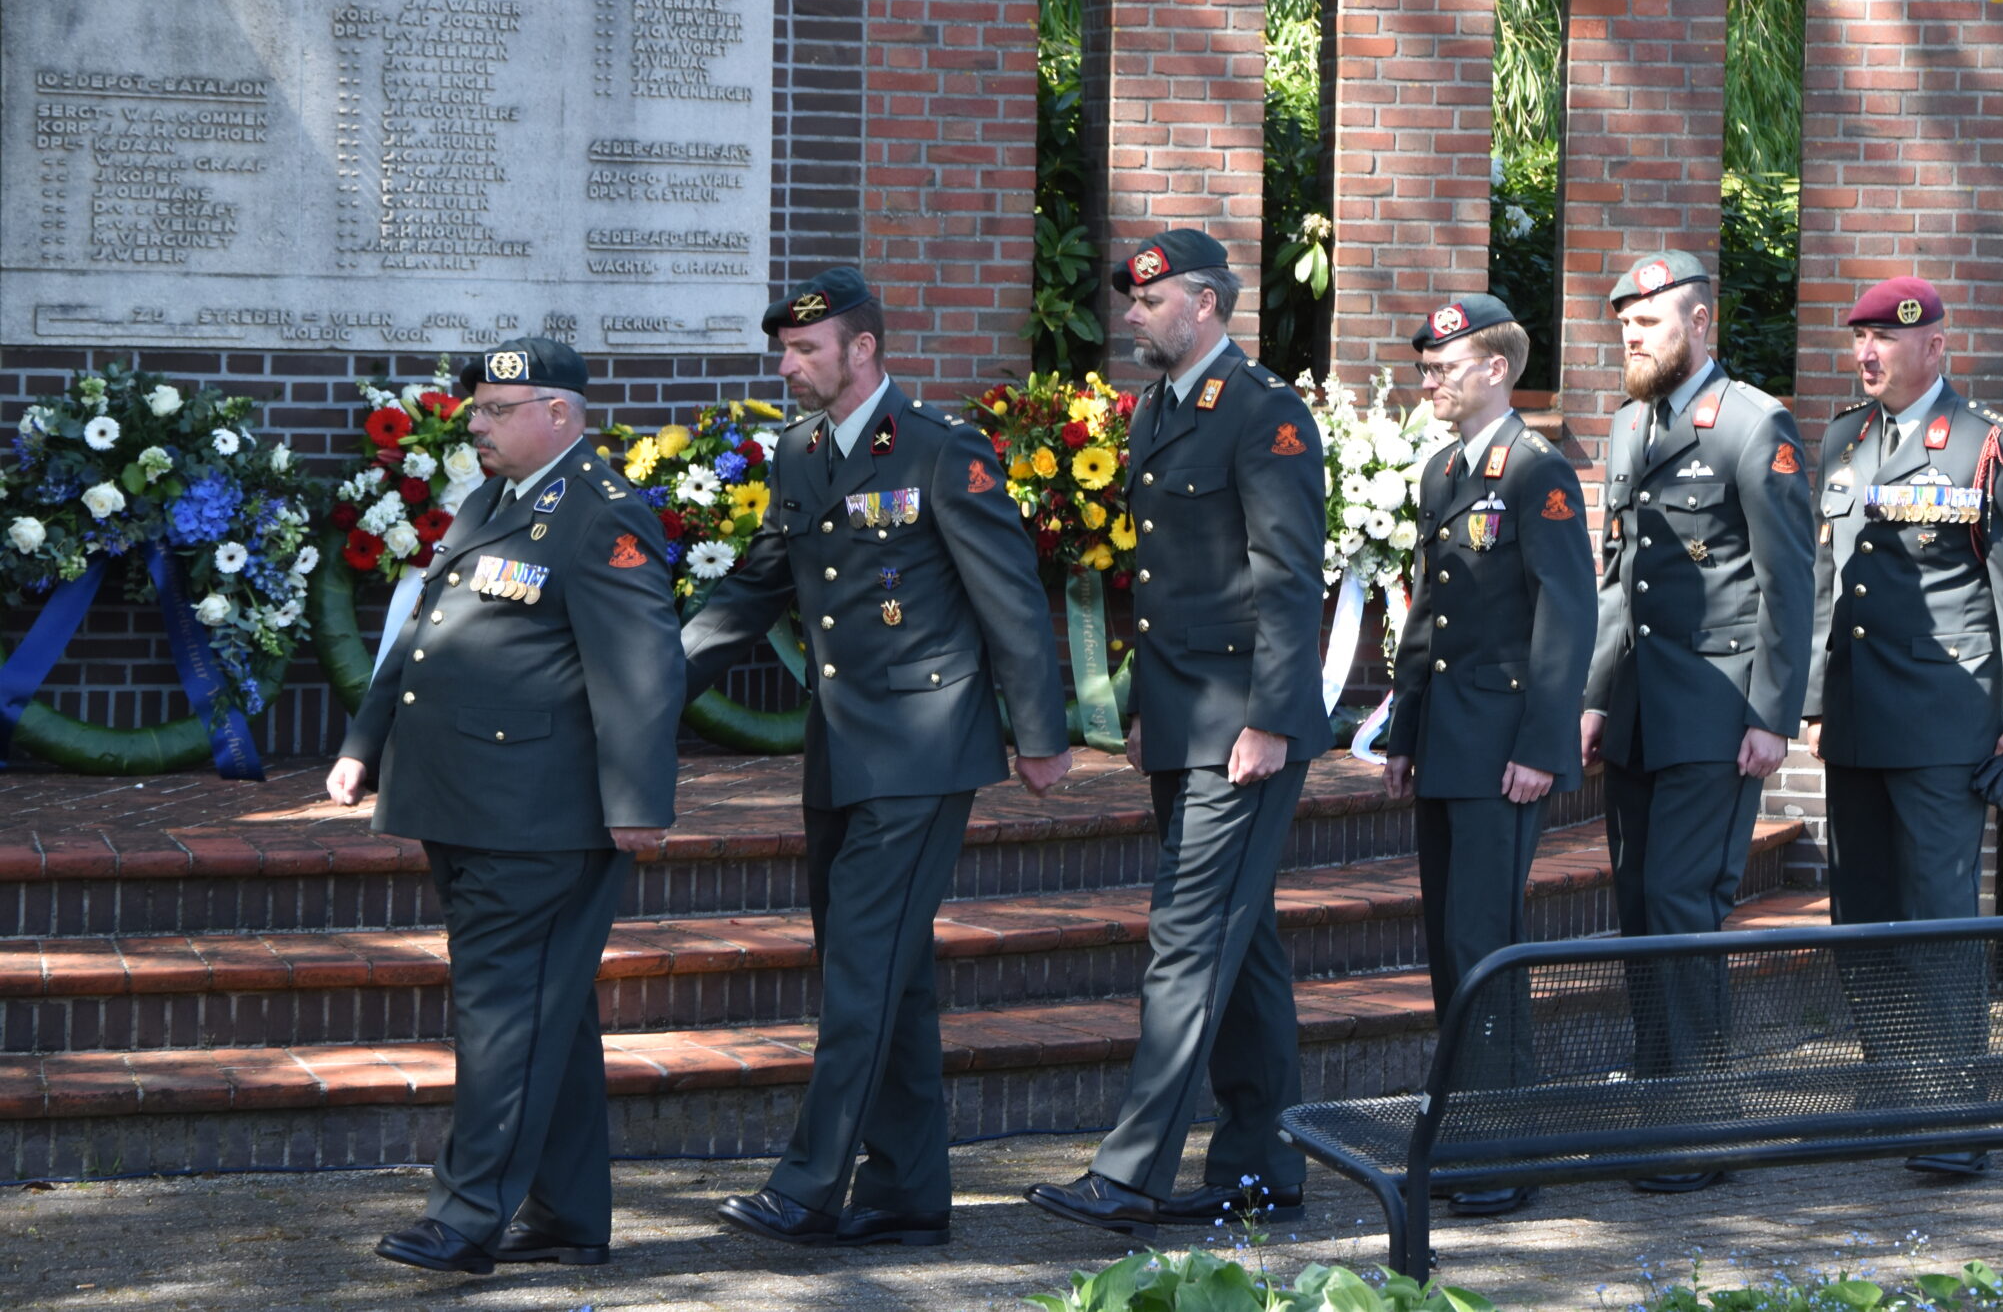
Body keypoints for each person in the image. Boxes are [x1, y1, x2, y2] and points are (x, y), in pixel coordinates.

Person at [682, 268, 1072, 1245]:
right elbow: (753, 589)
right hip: (841, 749)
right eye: (783, 351)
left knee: (860, 972)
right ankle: (907, 1189)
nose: (787, 367)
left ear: (862, 349)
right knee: (885, 971)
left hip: (924, 750)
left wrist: (1038, 733)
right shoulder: (800, 451)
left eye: (804, 350)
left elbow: (1011, 597)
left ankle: (808, 1187)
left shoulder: (940, 449)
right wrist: (648, 692)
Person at [327, 337, 684, 1275]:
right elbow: (425, 630)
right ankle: (568, 1213)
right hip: (466, 800)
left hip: (540, 815)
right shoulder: (494, 500)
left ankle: (465, 1217)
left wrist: (638, 800)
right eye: (476, 409)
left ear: (558, 414)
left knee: (503, 1013)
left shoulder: (601, 513)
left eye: (494, 410)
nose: (475, 426)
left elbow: (643, 666)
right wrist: (364, 744)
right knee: (545, 1011)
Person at [1026, 228, 1330, 1241]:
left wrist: (1271, 720)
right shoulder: (1162, 408)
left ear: (1203, 304)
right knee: (1245, 947)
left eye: (1150, 301)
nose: (1133, 315)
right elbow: (1170, 582)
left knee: (1188, 940)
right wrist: (1146, 707)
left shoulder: (1262, 409)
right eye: (1133, 300)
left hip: (1243, 726)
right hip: (1184, 719)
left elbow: (1287, 576)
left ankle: (1131, 1176)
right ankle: (1262, 1169)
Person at [1802, 277, 2003, 1175]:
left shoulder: (1989, 444)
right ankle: (1893, 1094)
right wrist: (1812, 700)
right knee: (1863, 914)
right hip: (1857, 721)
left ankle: (1951, 1116)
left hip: (1947, 724)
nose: (1867, 353)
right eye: (1860, 338)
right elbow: (1827, 581)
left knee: (1940, 920)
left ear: (1935, 346)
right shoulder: (1844, 439)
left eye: (1886, 338)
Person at [1579, 249, 1814, 1194]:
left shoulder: (1753, 424)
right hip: (1640, 709)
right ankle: (1659, 1104)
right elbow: (1616, 577)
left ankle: (1700, 1123)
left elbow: (1788, 581)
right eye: (1625, 325)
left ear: (1701, 322)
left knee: (1683, 904)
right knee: (1641, 906)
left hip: (1717, 710)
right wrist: (1595, 695)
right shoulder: (1629, 423)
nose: (1632, 337)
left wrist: (1773, 713)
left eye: (1649, 322)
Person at [1382, 292, 1597, 1219]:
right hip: (1448, 740)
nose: (1428, 380)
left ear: (1497, 369)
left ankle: (1504, 1149)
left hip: (1505, 746)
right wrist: (1405, 729)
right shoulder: (1445, 471)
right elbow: (1430, 613)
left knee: (1486, 945)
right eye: (1425, 367)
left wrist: (1544, 744)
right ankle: (1468, 1131)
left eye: (1443, 367)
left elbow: (1567, 613)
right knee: (1450, 943)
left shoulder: (1536, 470)